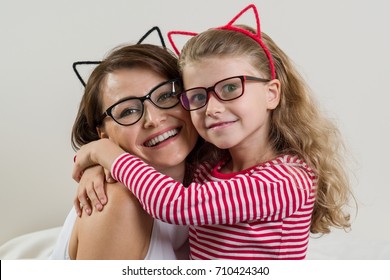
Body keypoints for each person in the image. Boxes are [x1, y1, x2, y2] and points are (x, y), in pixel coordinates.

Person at [72, 4, 353, 259]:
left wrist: (105, 153)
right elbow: (156, 169)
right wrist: (93, 165)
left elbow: (174, 205)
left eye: (230, 87)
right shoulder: (209, 166)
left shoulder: (286, 179)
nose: (212, 108)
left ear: (271, 94)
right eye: (197, 96)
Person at [50, 43, 200, 259]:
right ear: (104, 136)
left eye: (166, 96)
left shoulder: (215, 177)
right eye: (128, 111)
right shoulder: (118, 203)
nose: (154, 119)